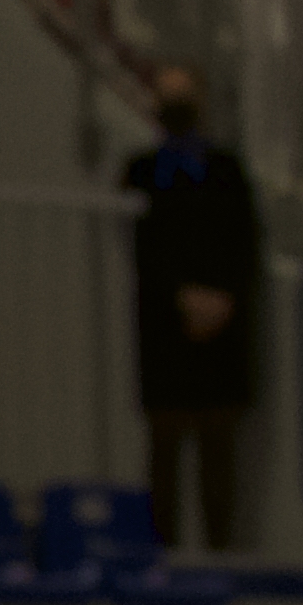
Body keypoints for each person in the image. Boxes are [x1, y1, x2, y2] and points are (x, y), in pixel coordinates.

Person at [123, 68, 271, 546]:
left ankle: (220, 554)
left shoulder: (227, 169)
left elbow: (245, 244)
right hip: (166, 330)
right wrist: (180, 298)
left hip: (221, 331)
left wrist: (220, 298)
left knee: (217, 453)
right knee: (163, 452)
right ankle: (164, 557)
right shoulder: (141, 171)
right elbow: (142, 247)